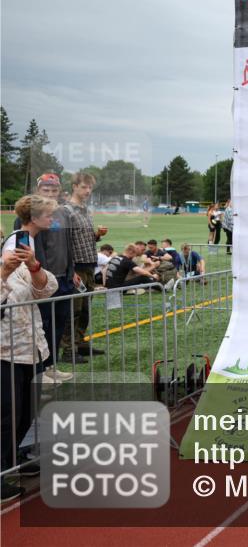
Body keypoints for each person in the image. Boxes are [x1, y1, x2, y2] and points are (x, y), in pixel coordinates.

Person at [1, 200, 59, 502]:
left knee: (24, 409)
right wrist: (3, 273)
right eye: (49, 214)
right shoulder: (11, 250)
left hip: (27, 344)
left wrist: (34, 266)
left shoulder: (24, 250)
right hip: (5, 346)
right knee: (7, 412)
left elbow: (45, 289)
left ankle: (11, 460)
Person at [13, 174, 77, 379]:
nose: (50, 193)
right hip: (43, 282)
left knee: (58, 324)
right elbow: (27, 250)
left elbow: (69, 244)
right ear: (38, 190)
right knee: (41, 325)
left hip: (63, 279)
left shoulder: (64, 214)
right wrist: (40, 275)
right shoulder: (27, 216)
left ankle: (50, 366)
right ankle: (38, 370)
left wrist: (71, 270)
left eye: (54, 190)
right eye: (46, 190)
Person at [62, 172, 107, 358]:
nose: (87, 191)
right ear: (74, 187)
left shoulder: (86, 210)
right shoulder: (66, 211)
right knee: (74, 309)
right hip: (77, 266)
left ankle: (79, 343)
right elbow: (64, 243)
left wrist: (97, 236)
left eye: (90, 187)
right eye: (84, 187)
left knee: (86, 309)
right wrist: (70, 270)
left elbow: (83, 239)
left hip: (89, 264)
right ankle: (68, 348)